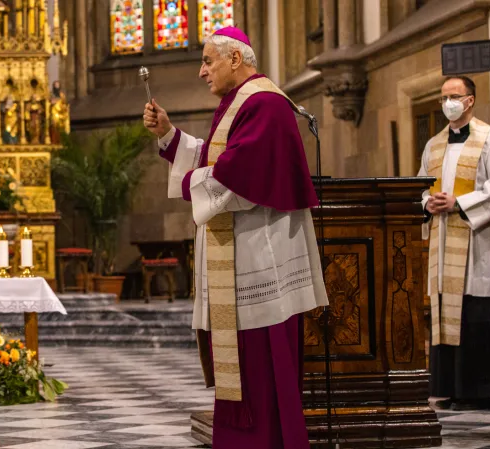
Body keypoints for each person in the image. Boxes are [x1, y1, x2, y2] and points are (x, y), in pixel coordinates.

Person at [143, 26, 328, 448]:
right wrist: (169, 136)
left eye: (208, 61)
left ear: (235, 59)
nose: (201, 71)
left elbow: (238, 173)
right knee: (247, 363)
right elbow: (218, 156)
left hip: (260, 257)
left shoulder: (264, 103)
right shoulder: (241, 103)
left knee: (260, 362)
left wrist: (191, 180)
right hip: (246, 252)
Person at [418, 75, 490, 411]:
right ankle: (449, 387)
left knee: (476, 316)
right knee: (446, 318)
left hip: (478, 246)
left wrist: (459, 204)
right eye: (443, 97)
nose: (447, 103)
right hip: (443, 241)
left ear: (469, 100)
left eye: (453, 96)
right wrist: (428, 203)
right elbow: (420, 185)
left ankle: (479, 390)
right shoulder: (433, 144)